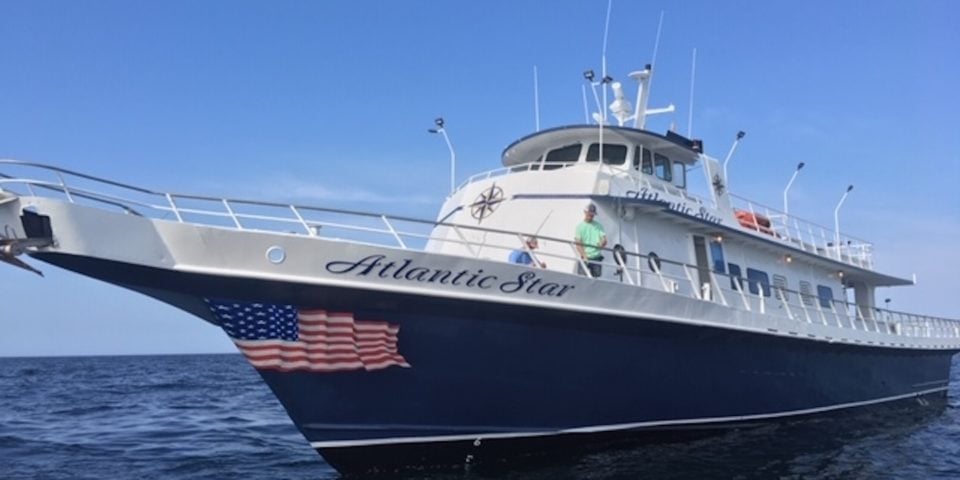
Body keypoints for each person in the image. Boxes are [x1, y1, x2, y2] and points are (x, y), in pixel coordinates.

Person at [575, 203, 606, 277]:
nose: (591, 216)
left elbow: (604, 239)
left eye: (592, 215)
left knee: (596, 279)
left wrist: (602, 243)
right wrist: (584, 256)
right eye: (589, 214)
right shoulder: (579, 227)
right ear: (585, 213)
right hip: (585, 257)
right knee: (582, 279)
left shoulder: (599, 226)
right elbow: (578, 244)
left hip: (596, 257)